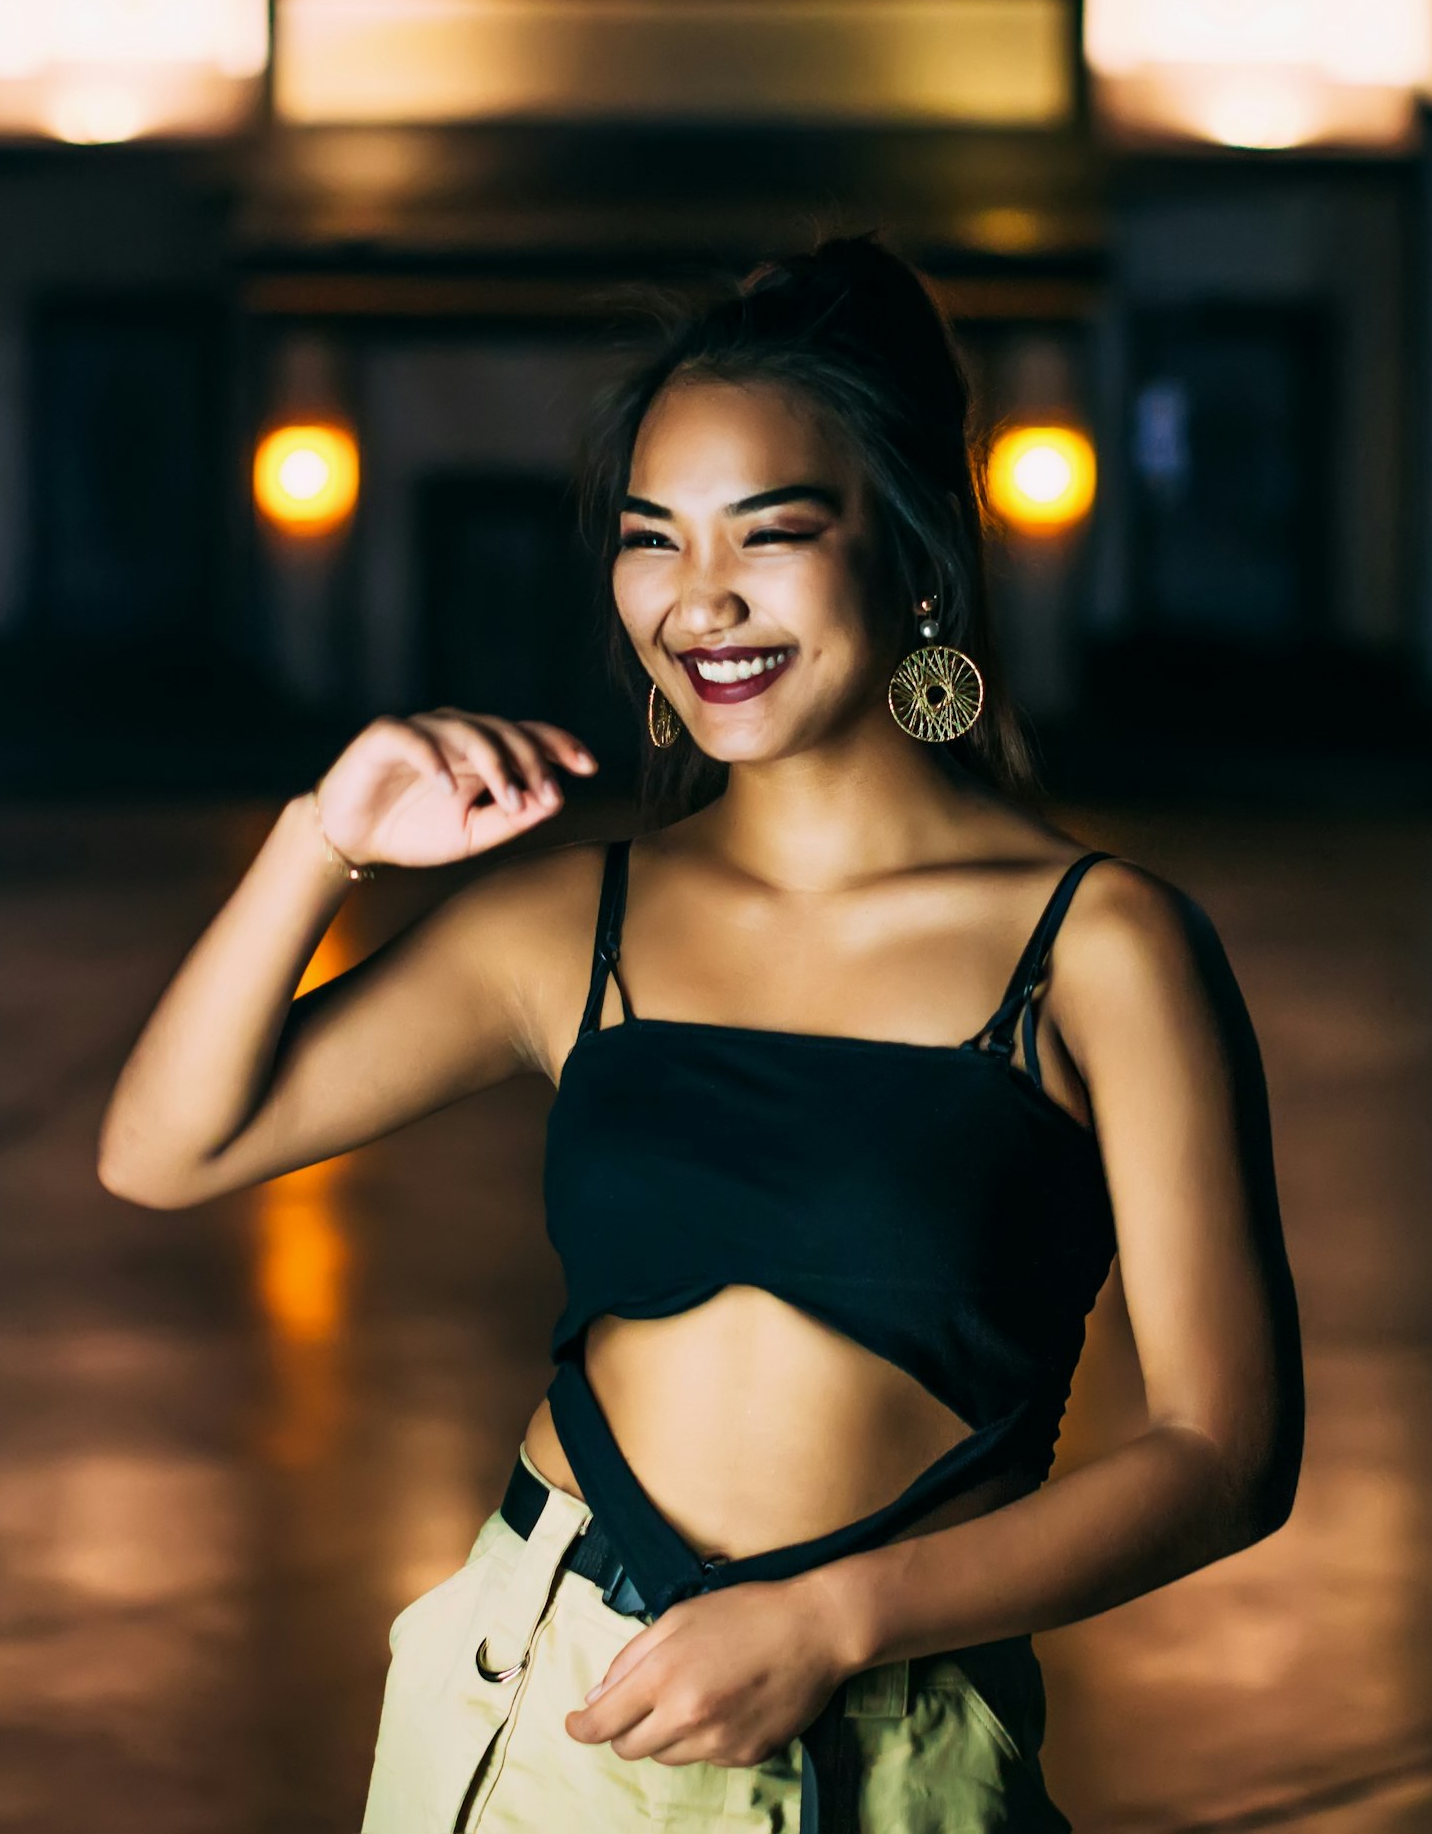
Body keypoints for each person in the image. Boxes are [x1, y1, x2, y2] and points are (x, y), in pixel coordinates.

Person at [96, 236, 1305, 1834]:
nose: (699, 597)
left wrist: (833, 1624)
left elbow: (1229, 1452)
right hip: (540, 1706)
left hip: (892, 1742)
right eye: (650, 538)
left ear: (915, 553)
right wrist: (322, 837)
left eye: (774, 533)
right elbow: (166, 1148)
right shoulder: (569, 925)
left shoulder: (1099, 945)